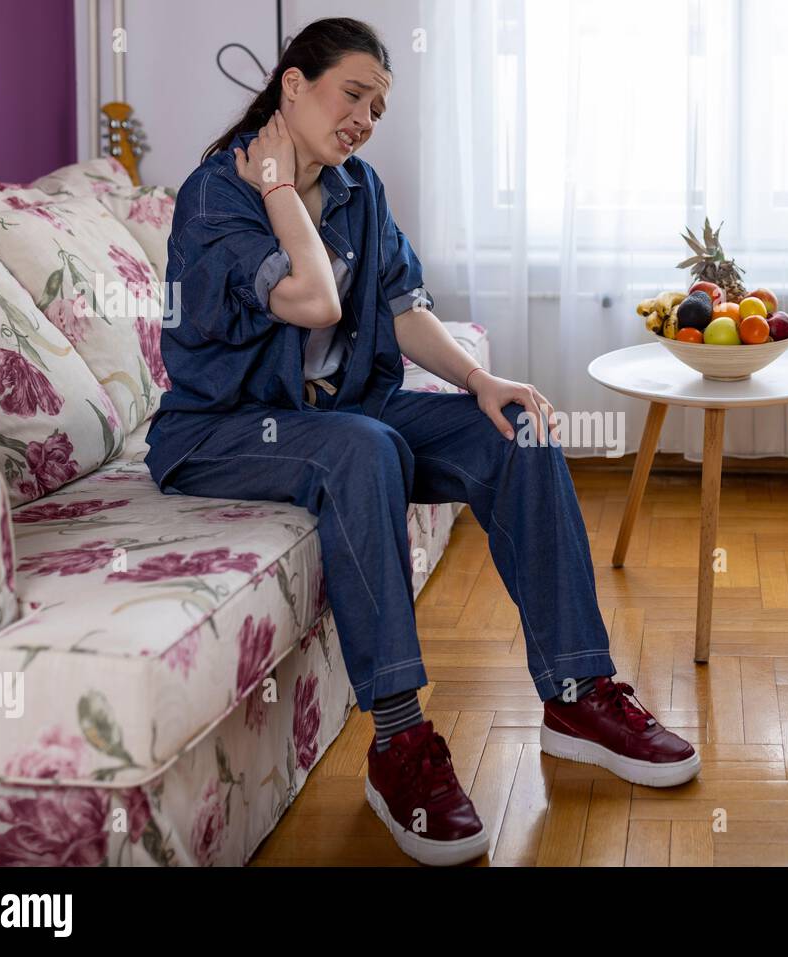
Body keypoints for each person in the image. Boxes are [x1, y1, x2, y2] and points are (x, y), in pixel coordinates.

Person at [146, 18, 699, 866]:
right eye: (351, 94)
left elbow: (403, 307)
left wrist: (482, 382)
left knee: (517, 431)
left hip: (343, 412)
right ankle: (399, 743)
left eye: (378, 105)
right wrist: (278, 189)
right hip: (223, 430)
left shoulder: (360, 189)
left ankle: (578, 691)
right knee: (361, 447)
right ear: (292, 85)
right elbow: (314, 303)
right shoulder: (216, 197)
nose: (365, 118)